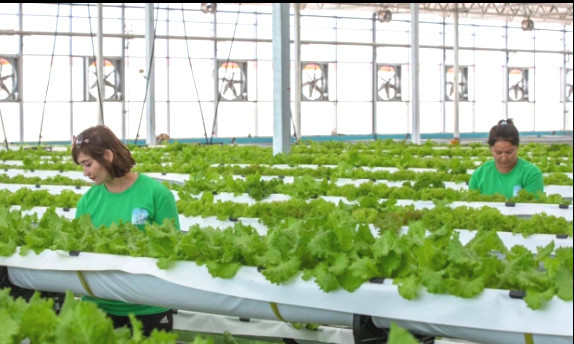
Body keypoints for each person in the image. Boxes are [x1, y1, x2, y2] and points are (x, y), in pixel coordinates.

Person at [71, 125, 180, 336]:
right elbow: (79, 252)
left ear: (108, 156)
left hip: (150, 307)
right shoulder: (87, 201)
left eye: (88, 164)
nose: (85, 173)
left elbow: (172, 249)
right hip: (98, 309)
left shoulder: (157, 194)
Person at [469, 119, 544, 199]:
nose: (504, 158)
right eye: (498, 152)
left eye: (509, 152)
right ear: (490, 149)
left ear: (517, 147)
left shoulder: (531, 174)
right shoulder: (479, 175)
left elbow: (532, 207)